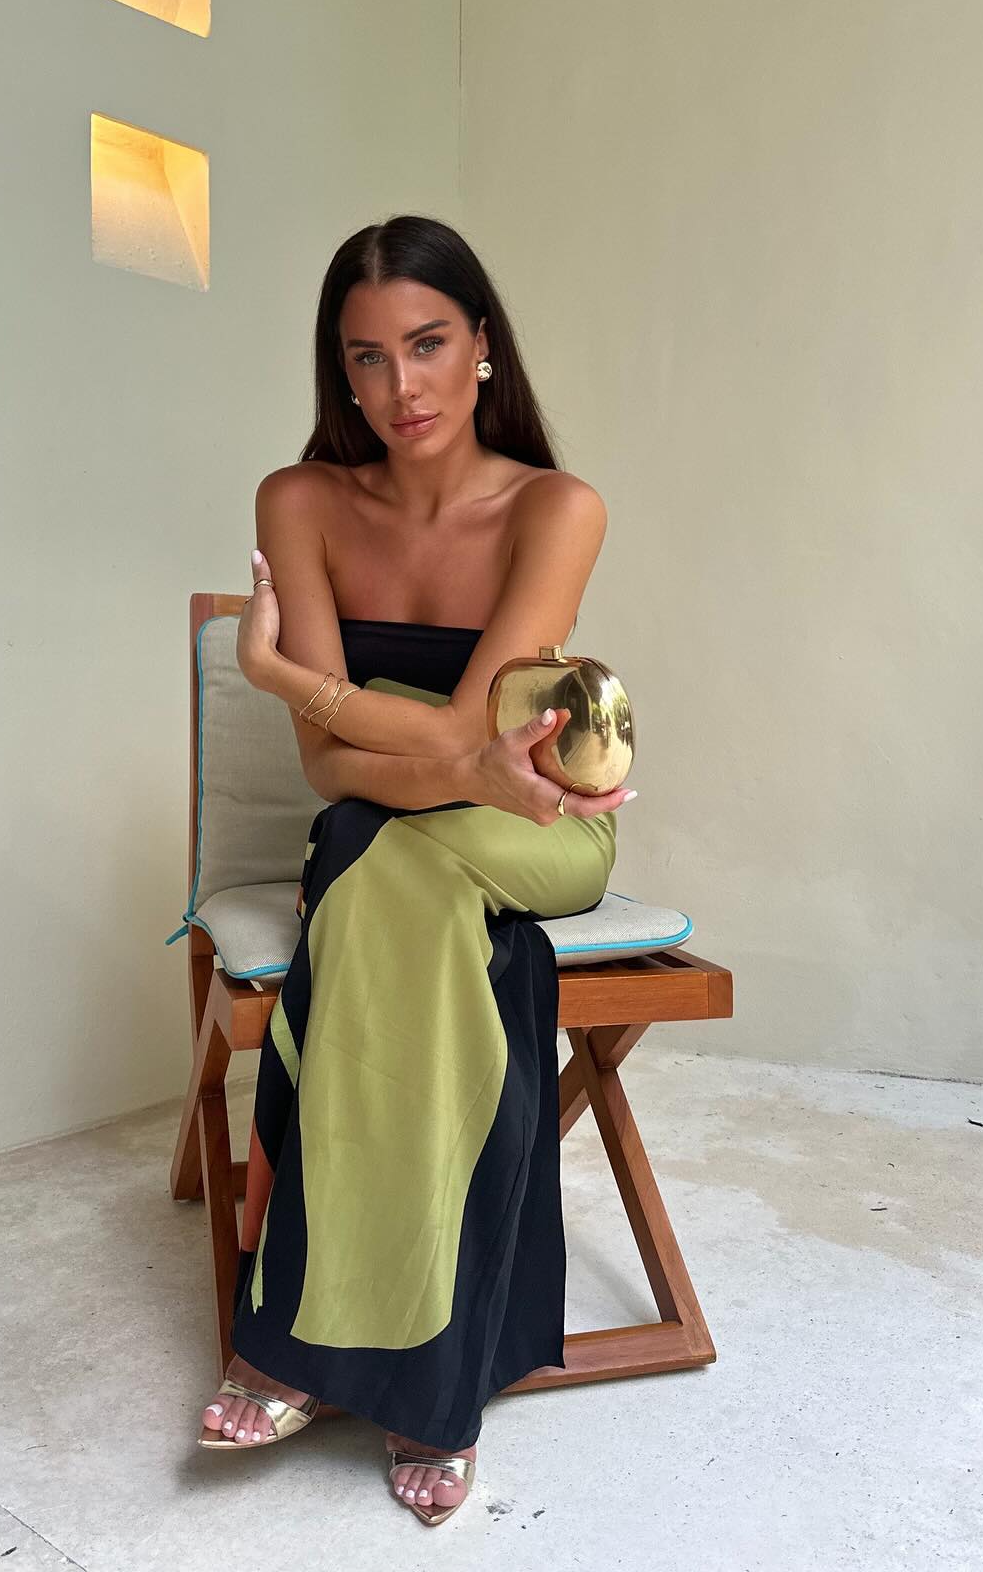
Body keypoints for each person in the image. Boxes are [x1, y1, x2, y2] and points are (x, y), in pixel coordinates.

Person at [196, 214, 636, 1525]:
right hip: (409, 834)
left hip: (538, 828)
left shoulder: (556, 508)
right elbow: (335, 770)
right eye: (368, 358)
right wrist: (434, 751)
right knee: (390, 878)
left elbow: (442, 745)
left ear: (483, 345)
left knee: (368, 861)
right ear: (339, 371)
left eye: (430, 345)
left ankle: (294, 1344)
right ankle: (435, 1385)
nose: (404, 389)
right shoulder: (302, 502)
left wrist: (285, 675)